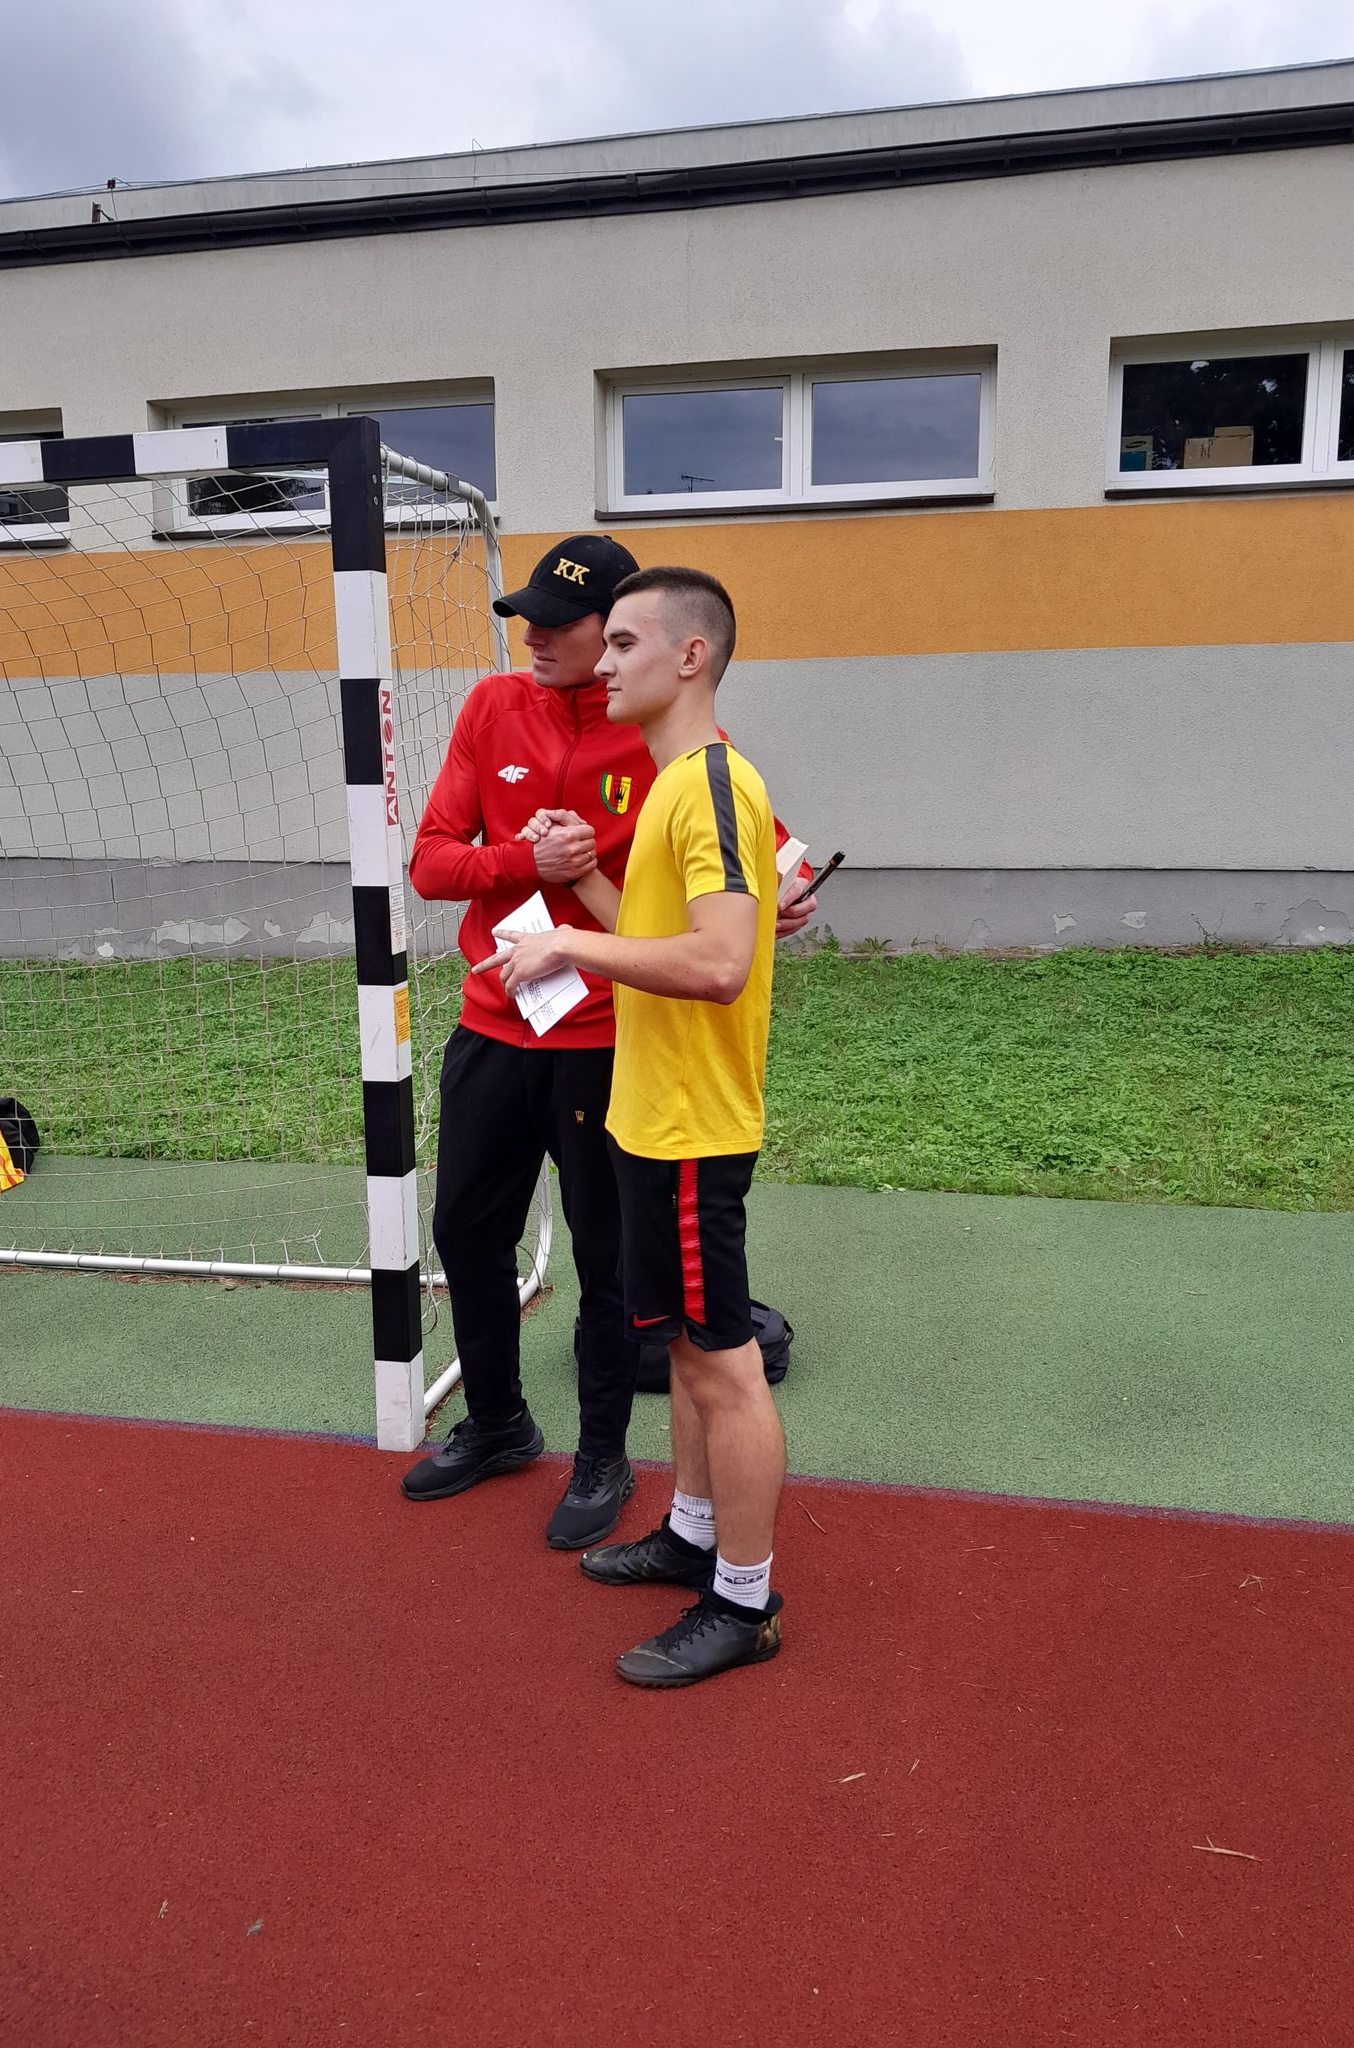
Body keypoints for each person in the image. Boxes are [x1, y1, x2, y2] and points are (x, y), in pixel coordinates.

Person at [401, 537, 812, 1551]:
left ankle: (602, 1453)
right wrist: (524, 860)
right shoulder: (493, 707)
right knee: (466, 1232)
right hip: (494, 1023)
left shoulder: (663, 733)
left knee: (607, 1261)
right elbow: (431, 863)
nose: (533, 637)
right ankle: (498, 1422)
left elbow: (760, 868)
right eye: (526, 618)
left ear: (627, 635)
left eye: (566, 624)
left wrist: (780, 895)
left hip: (607, 1040)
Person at [484, 566, 787, 1688]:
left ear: (690, 656)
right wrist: (584, 884)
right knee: (688, 1355)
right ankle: (693, 1534)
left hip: (695, 1124)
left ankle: (744, 1602)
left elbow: (719, 962)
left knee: (725, 1366)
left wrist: (567, 943)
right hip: (651, 1119)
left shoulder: (713, 784)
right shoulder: (668, 787)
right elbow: (657, 937)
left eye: (622, 643)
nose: (600, 663)